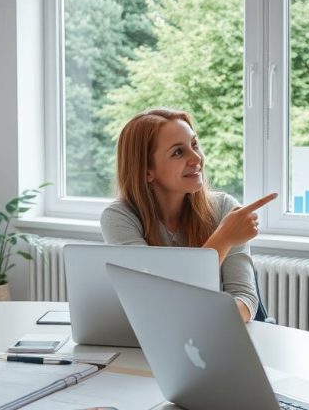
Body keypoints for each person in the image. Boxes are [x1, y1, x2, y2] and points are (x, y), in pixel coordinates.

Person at [100, 108, 277, 323]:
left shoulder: (224, 209)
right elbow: (151, 300)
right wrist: (223, 239)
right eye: (178, 152)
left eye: (194, 145)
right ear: (147, 171)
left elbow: (246, 301)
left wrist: (189, 315)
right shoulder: (120, 218)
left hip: (216, 339)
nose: (196, 159)